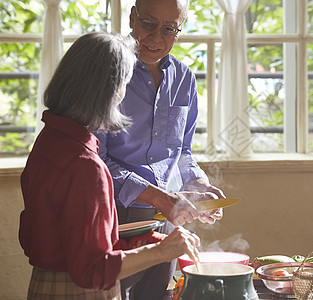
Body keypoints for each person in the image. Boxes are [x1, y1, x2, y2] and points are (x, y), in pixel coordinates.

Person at [19, 32, 201, 299]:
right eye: (125, 84)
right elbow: (94, 270)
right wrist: (162, 252)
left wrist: (151, 243)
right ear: (109, 91)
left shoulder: (50, 140)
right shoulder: (85, 167)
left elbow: (74, 241)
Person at [94, 0, 226, 299]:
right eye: (149, 24)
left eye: (168, 29)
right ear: (132, 17)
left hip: (166, 216)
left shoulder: (184, 79)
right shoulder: (105, 75)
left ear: (180, 30)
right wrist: (158, 196)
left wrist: (197, 183)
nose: (156, 37)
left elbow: (182, 152)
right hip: (115, 215)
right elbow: (95, 162)